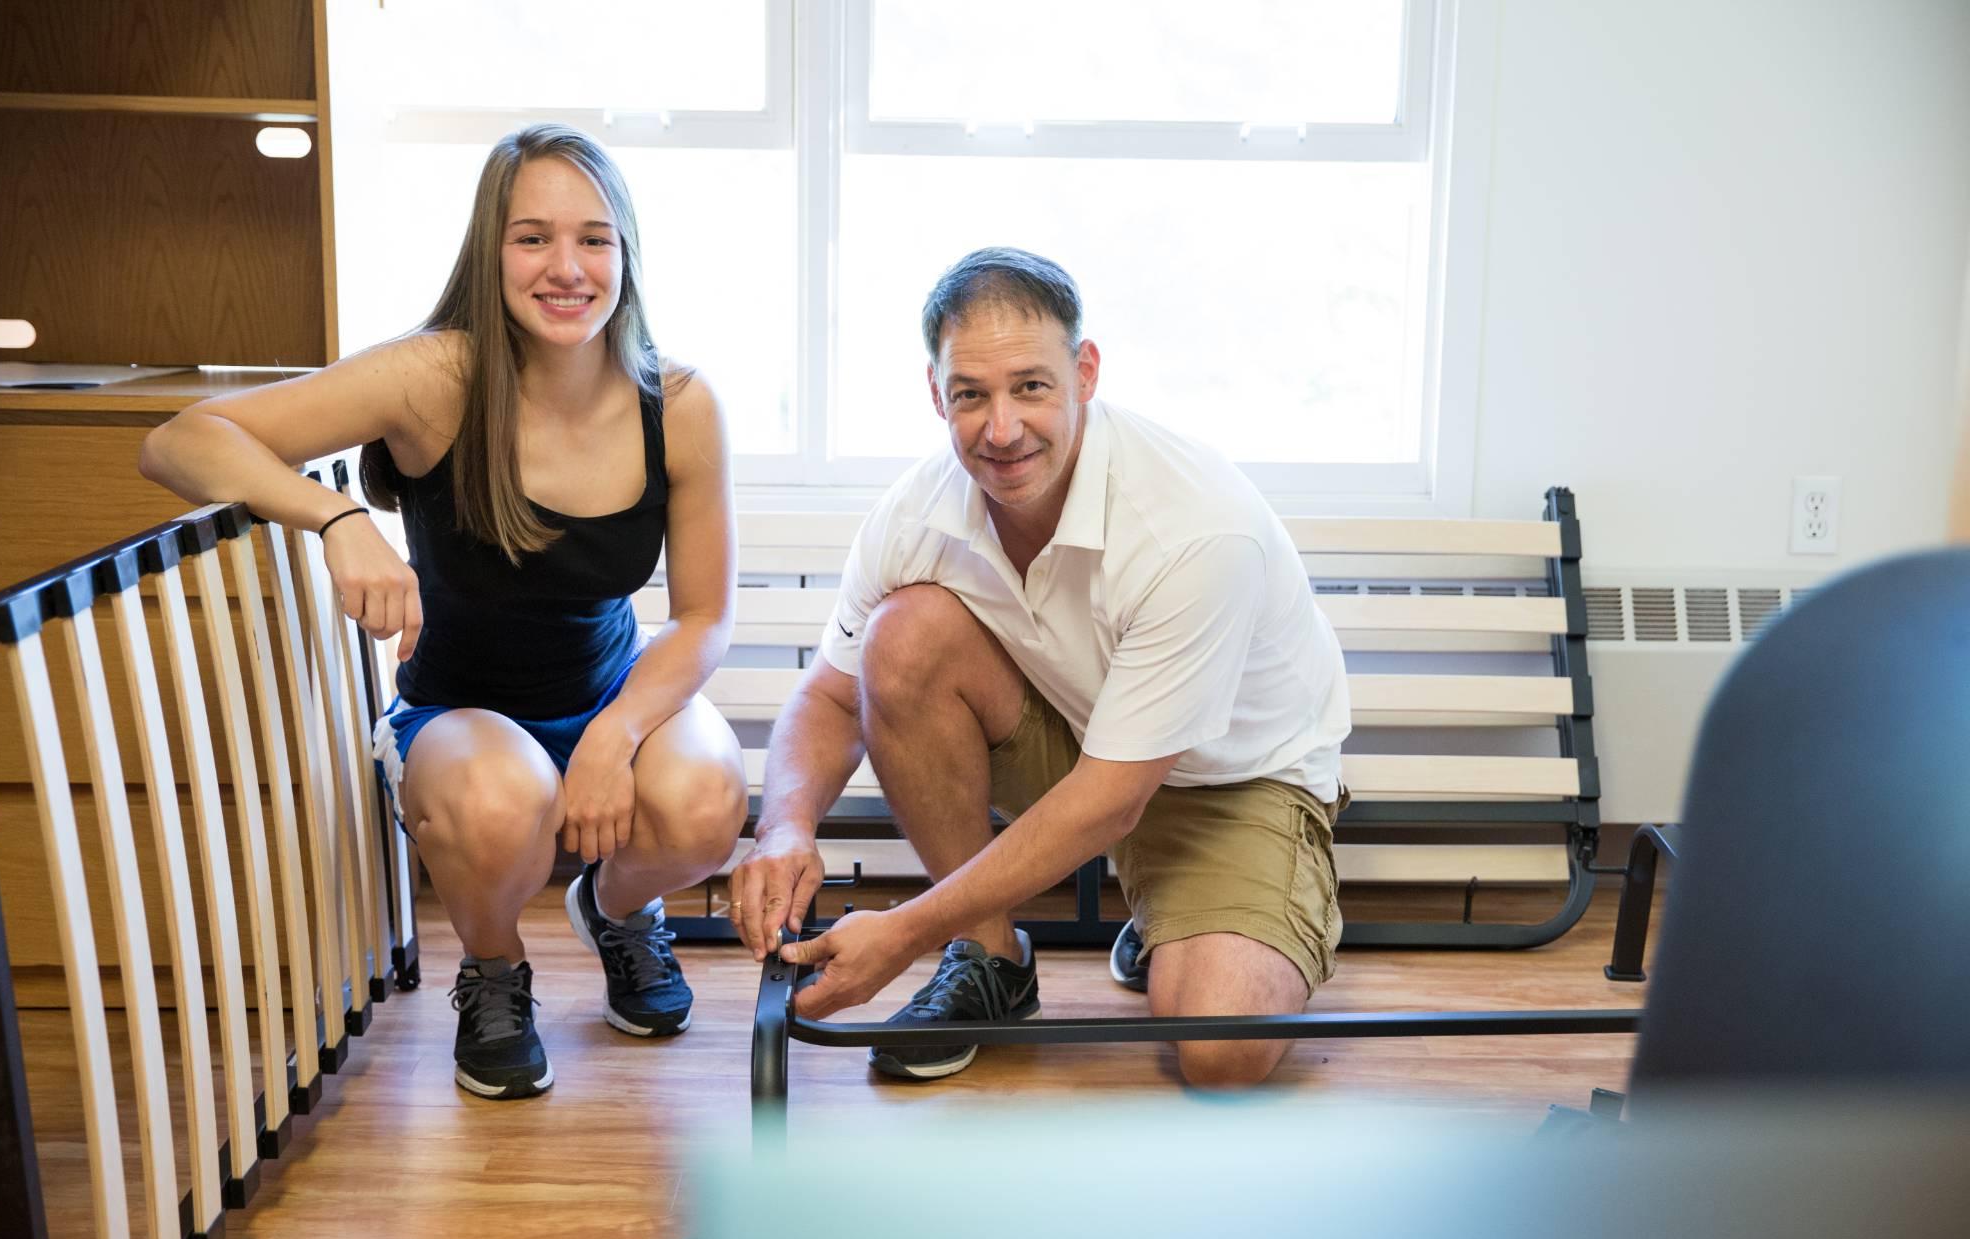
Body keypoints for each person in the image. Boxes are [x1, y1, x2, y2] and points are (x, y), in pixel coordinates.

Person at [140, 123, 746, 1100]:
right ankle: (495, 970)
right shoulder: (433, 379)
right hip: (459, 716)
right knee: (504, 801)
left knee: (707, 801)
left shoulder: (676, 402)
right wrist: (335, 516)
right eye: (532, 237)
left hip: (610, 694)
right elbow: (181, 441)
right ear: (489, 252)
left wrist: (614, 734)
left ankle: (621, 912)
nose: (566, 267)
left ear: (624, 255)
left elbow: (704, 616)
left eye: (593, 238)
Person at [728, 247, 1350, 1089]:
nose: (1002, 428)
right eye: (970, 394)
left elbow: (1110, 801)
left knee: (1222, 1052)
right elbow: (832, 698)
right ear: (936, 392)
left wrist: (904, 930)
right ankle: (991, 963)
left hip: (1235, 782)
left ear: (1084, 372)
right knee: (900, 637)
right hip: (1088, 741)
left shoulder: (1197, 528)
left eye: (1031, 385)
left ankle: (1199, 911)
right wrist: (785, 825)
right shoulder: (915, 509)